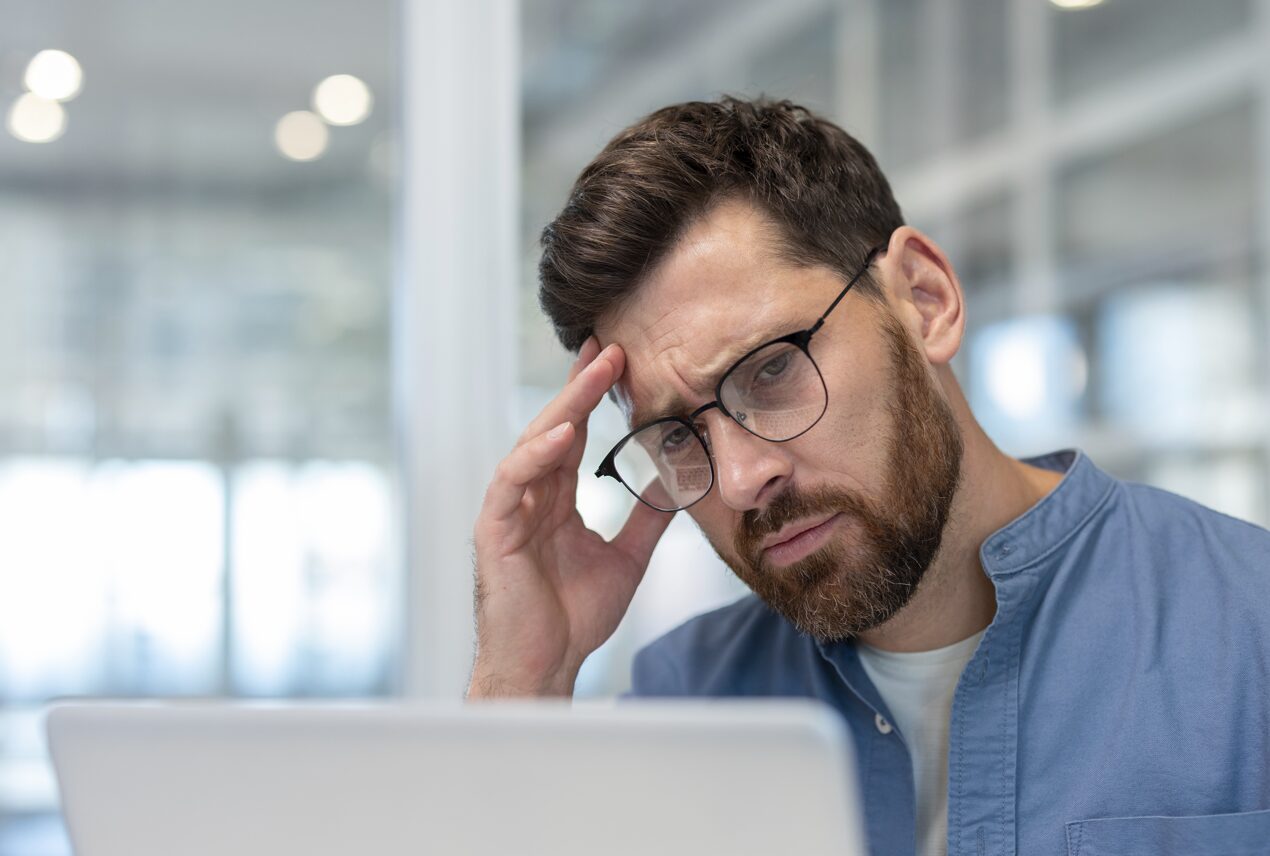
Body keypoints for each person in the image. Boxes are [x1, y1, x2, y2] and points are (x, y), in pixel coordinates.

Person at [467, 98, 1270, 856]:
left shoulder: (1250, 635)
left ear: (925, 300)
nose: (742, 478)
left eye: (772, 370)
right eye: (677, 435)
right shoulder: (690, 701)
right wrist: (524, 682)